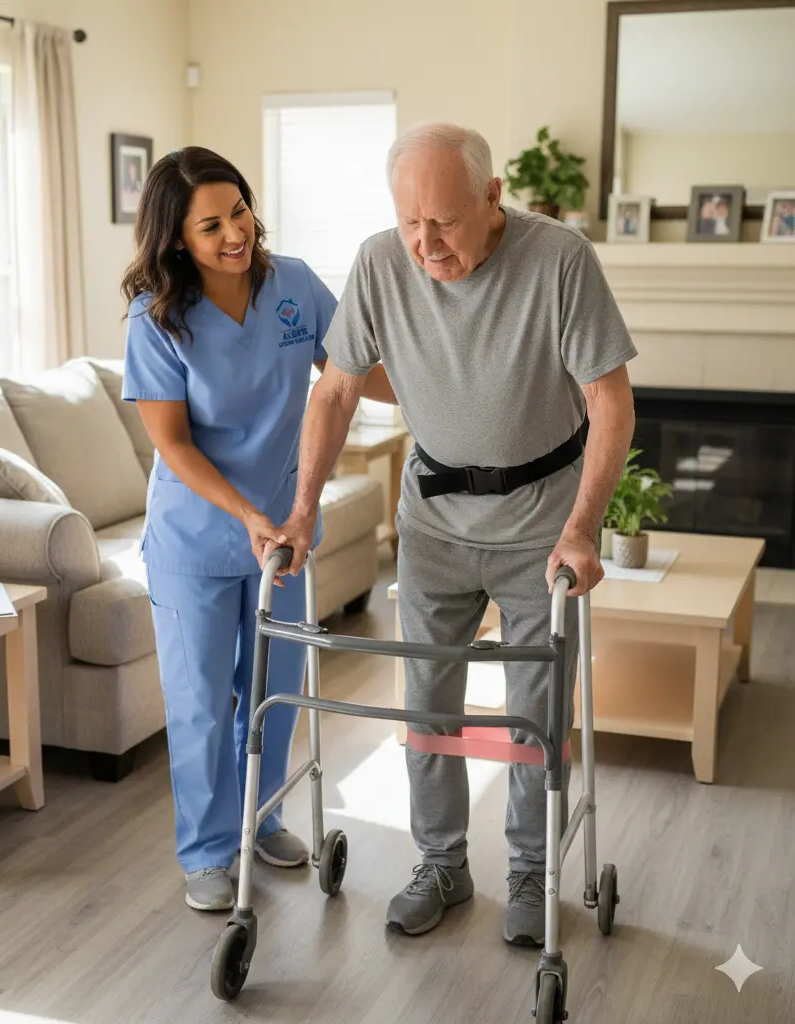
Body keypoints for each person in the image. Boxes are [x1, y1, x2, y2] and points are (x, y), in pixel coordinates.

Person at [266, 123, 637, 946]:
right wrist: (301, 510)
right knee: (428, 703)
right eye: (409, 223)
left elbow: (611, 402)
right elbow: (335, 393)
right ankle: (441, 865)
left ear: (493, 198)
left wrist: (582, 529)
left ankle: (531, 876)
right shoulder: (378, 262)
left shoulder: (560, 261)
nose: (425, 244)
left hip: (543, 518)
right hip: (433, 519)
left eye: (444, 222)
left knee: (533, 712)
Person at [120, 146, 392, 912]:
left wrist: (439, 380)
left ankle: (261, 819)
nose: (235, 233)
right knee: (204, 703)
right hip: (198, 540)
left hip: (282, 536)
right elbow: (172, 443)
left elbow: (357, 373)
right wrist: (247, 516)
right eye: (211, 226)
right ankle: (208, 853)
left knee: (273, 688)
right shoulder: (158, 318)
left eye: (238, 210)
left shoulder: (295, 285)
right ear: (177, 238)